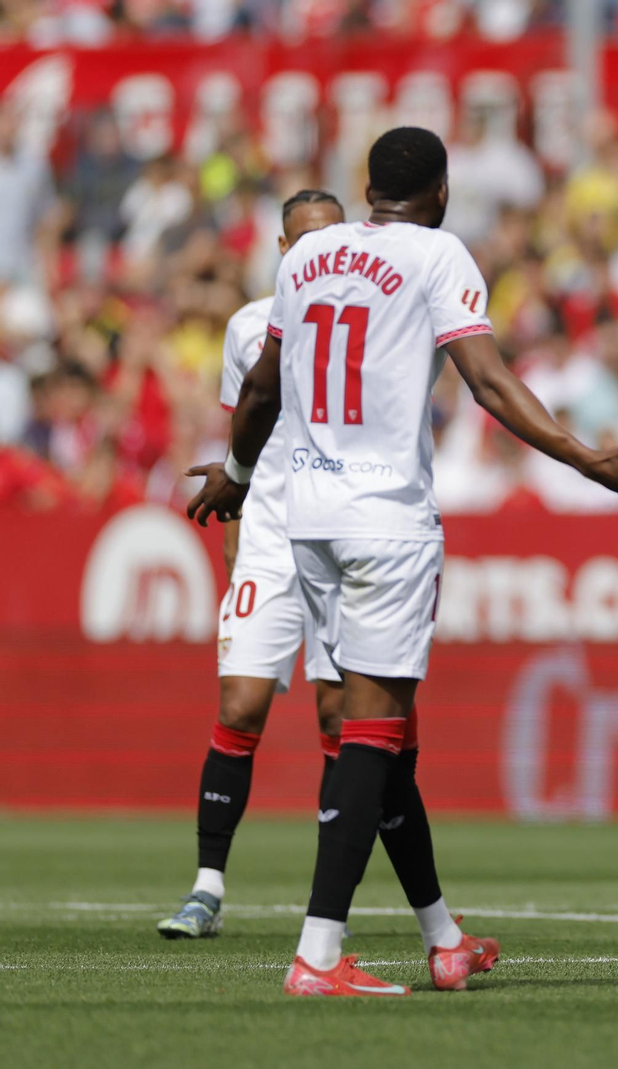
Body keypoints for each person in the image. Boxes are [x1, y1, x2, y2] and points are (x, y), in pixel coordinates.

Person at [186, 127, 618, 997]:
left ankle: (444, 938)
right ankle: (319, 953)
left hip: (306, 517)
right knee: (371, 733)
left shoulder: (308, 258)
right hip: (385, 519)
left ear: (366, 186)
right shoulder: (440, 252)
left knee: (380, 731)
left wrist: (232, 475)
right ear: (442, 190)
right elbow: (489, 383)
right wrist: (586, 461)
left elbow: (263, 387)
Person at [158, 190, 346, 940]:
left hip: (340, 540)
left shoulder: (367, 323)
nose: (316, 254)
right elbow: (246, 437)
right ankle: (206, 887)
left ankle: (329, 901)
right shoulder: (247, 327)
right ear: (280, 248)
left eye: (329, 240)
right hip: (269, 537)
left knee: (342, 719)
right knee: (239, 706)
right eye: (302, 242)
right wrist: (235, 549)